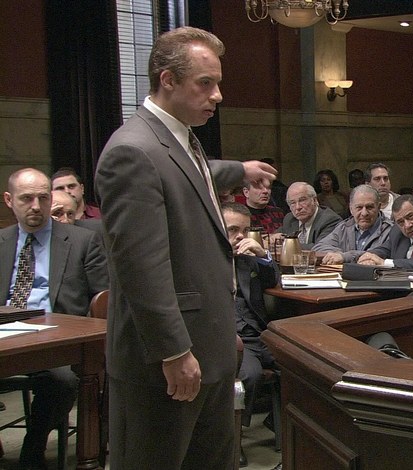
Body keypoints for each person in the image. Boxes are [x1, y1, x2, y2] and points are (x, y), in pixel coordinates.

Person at [95, 26, 276, 470]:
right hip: (166, 363)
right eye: (205, 83)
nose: (217, 96)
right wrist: (173, 352)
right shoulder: (131, 153)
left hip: (208, 351)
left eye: (218, 83)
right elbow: (141, 269)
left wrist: (239, 170)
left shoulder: (176, 137)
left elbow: (192, 174)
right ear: (168, 80)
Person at [2, 168, 109, 469]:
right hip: (6, 335)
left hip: (57, 342)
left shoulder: (82, 241)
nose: (36, 206)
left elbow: (104, 299)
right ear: (9, 200)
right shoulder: (2, 241)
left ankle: (33, 447)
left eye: (43, 198)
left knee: (62, 381)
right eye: (26, 199)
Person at [221, 202, 278, 466]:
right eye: (233, 230)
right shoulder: (204, 261)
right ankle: (234, 438)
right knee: (250, 375)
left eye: (245, 230)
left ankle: (280, 422)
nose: (240, 236)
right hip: (230, 338)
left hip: (259, 333)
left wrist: (263, 254)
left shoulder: (246, 258)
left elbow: (272, 280)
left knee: (304, 364)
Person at [313, 185, 394, 264]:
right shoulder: (344, 227)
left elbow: (375, 254)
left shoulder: (390, 231)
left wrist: (345, 256)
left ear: (379, 207)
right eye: (359, 207)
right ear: (351, 209)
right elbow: (318, 247)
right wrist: (338, 254)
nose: (364, 213)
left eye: (369, 207)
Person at [279, 182, 341, 249]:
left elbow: (320, 248)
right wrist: (272, 238)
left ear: (315, 200)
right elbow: (277, 235)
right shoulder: (290, 219)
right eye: (293, 203)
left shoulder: (330, 220)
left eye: (302, 200)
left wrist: (286, 245)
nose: (298, 207)